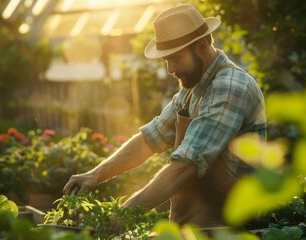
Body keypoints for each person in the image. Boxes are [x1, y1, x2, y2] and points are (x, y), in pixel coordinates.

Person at [63, 3, 266, 227]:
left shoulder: (228, 87)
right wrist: (95, 175)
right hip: (198, 225)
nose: (170, 69)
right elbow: (152, 137)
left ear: (202, 44)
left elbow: (185, 167)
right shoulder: (194, 88)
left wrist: (121, 218)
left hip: (231, 228)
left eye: (176, 58)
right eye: (166, 59)